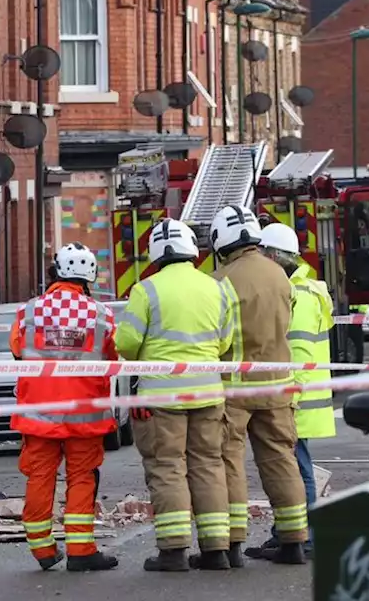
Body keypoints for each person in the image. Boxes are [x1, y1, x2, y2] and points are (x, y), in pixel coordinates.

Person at [114, 218, 234, 572]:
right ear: (193, 251)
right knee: (209, 465)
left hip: (163, 398)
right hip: (210, 393)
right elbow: (225, 342)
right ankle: (216, 550)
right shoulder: (217, 288)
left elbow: (126, 344)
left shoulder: (146, 290)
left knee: (168, 468)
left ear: (155, 254)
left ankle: (174, 550)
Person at [8, 243, 120, 573]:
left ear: (54, 271)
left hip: (39, 412)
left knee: (40, 477)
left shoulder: (29, 312)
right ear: (90, 277)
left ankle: (42, 550)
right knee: (82, 478)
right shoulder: (101, 314)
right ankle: (81, 550)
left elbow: (17, 350)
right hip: (85, 414)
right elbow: (112, 357)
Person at [209, 205, 309, 566]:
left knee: (228, 462)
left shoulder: (221, 280)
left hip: (234, 387)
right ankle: (294, 540)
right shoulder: (281, 275)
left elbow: (217, 338)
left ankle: (232, 545)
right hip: (278, 385)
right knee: (282, 460)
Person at [245, 222, 335, 561]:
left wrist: (289, 397)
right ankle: (285, 533)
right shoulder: (306, 289)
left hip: (298, 398)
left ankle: (304, 538)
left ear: (274, 256)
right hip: (303, 396)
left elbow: (298, 352)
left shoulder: (299, 294)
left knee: (298, 471)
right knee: (291, 467)